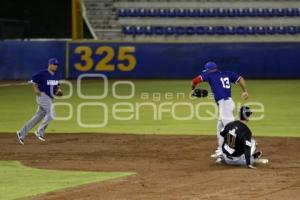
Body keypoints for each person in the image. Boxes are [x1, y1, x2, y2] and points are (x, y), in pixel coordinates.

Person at [191, 61, 249, 158]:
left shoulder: (208, 74)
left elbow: (194, 81)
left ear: (208, 70)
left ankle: (240, 151)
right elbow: (240, 79)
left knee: (231, 129)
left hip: (225, 105)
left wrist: (193, 89)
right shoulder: (227, 73)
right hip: (227, 103)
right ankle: (222, 150)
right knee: (220, 128)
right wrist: (245, 91)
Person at [16, 58, 62, 145]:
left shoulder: (56, 75)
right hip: (42, 96)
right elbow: (32, 80)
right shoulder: (42, 73)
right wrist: (36, 89)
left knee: (38, 117)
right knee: (52, 113)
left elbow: (57, 86)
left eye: (56, 65)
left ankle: (21, 133)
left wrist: (58, 91)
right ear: (49, 64)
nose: (55, 66)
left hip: (49, 97)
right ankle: (39, 131)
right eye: (54, 64)